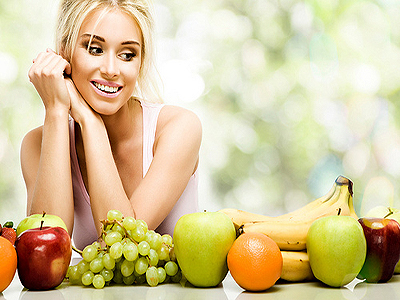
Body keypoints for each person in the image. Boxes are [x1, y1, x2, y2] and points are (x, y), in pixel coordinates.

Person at [20, 0, 202, 250]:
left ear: (140, 62)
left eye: (127, 55)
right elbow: (45, 252)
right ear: (64, 53)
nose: (111, 70)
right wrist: (55, 110)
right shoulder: (36, 145)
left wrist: (90, 122)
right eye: (95, 49)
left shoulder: (179, 128)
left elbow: (123, 244)